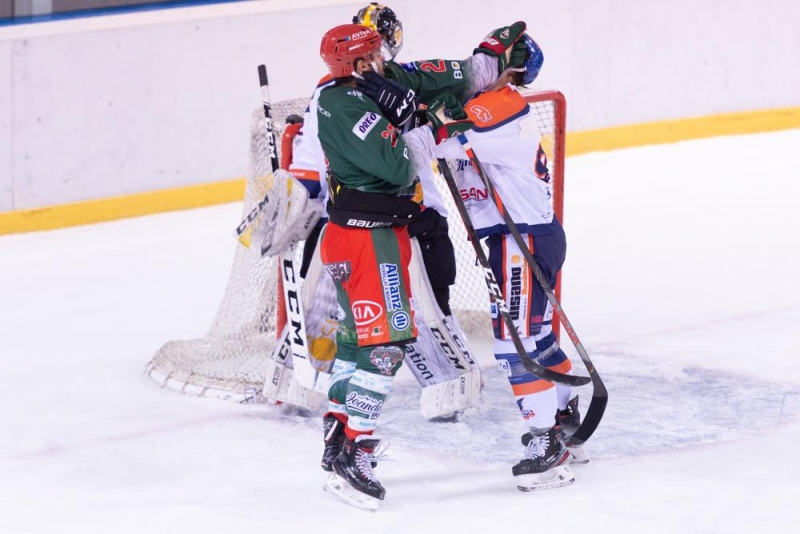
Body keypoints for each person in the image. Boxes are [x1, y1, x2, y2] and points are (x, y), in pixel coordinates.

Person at [315, 21, 527, 509]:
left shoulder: (371, 86)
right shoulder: (344, 105)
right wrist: (424, 124)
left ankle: (338, 429)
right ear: (360, 62)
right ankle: (355, 450)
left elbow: (442, 81)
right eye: (375, 53)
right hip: (371, 243)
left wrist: (490, 59)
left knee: (354, 341)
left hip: (359, 237)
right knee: (387, 345)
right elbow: (399, 167)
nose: (383, 58)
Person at [422, 35, 582, 491]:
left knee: (515, 346)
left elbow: (443, 138)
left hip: (520, 241)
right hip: (530, 237)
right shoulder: (491, 103)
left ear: (510, 72)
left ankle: (547, 444)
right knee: (541, 339)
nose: (477, 66)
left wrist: (421, 107)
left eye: (489, 60)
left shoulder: (503, 105)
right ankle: (563, 416)